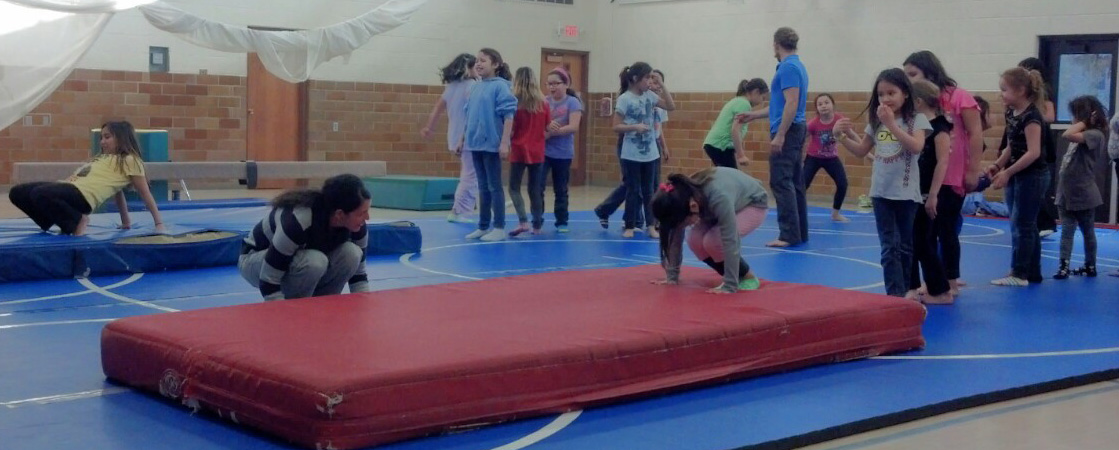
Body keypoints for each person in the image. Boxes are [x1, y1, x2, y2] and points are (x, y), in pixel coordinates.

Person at [834, 68, 930, 298]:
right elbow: (861, 150)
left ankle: (907, 291)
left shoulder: (917, 120)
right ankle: (894, 296)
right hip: (880, 193)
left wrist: (892, 124)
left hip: (906, 194)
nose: (885, 99)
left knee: (905, 247)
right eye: (880, 94)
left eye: (891, 93)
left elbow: (916, 147)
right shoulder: (877, 122)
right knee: (889, 248)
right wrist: (840, 137)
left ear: (905, 93)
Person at [902, 50, 983, 293]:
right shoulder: (916, 100)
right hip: (925, 175)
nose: (909, 79)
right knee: (925, 234)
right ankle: (936, 281)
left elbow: (976, 133)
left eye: (913, 74)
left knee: (946, 229)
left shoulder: (959, 97)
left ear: (929, 71)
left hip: (952, 172)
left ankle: (950, 280)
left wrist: (973, 171)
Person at [9, 120, 165, 236]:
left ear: (122, 138)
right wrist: (126, 223)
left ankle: (78, 220)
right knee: (17, 193)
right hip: (69, 188)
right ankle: (50, 221)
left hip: (83, 196)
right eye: (101, 138)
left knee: (39, 193)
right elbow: (118, 192)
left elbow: (145, 193)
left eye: (107, 137)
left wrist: (158, 223)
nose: (102, 141)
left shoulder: (130, 160)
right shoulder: (100, 158)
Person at [238, 174, 371, 301]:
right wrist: (280, 312)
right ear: (339, 214)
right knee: (314, 261)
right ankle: (298, 307)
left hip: (295, 259)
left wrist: (365, 308)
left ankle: (324, 304)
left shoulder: (357, 226)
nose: (367, 218)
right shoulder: (298, 221)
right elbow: (269, 281)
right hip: (255, 261)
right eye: (361, 213)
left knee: (351, 253)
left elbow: (359, 278)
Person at [651, 167, 769, 294]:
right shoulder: (681, 197)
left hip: (752, 204)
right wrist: (672, 277)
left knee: (714, 241)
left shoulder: (718, 196)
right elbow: (675, 234)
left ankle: (747, 276)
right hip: (714, 206)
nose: (685, 226)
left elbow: (730, 239)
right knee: (693, 240)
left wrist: (730, 285)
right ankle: (734, 275)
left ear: (693, 206)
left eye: (685, 222)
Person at [743, 27, 810, 248]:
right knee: (795, 181)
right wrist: (754, 115)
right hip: (795, 127)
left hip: (789, 130)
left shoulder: (788, 68)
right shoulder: (796, 66)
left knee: (781, 181)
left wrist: (780, 134)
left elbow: (791, 103)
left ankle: (788, 234)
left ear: (776, 44)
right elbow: (779, 105)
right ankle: (799, 232)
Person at [986, 67, 1049, 286]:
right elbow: (1012, 145)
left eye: (1004, 90)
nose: (1000, 94)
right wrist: (997, 165)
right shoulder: (1012, 113)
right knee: (1023, 224)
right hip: (1018, 174)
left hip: (1032, 175)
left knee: (1023, 224)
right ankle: (1031, 272)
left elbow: (1034, 152)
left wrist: (1008, 172)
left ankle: (1020, 274)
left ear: (1021, 90)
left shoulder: (1032, 116)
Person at [613, 62, 675, 239]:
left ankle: (651, 225)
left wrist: (662, 84)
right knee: (633, 190)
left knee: (650, 191)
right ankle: (630, 225)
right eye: (646, 77)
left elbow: (671, 106)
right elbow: (616, 126)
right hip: (631, 152)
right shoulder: (625, 99)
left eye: (651, 77)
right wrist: (634, 127)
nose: (649, 81)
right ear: (635, 79)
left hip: (650, 152)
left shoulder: (650, 96)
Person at [461, 48, 517, 242]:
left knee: (494, 187)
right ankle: (483, 226)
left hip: (492, 144)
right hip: (475, 143)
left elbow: (509, 116)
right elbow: (468, 116)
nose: (478, 64)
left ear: (495, 65)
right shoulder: (475, 87)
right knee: (482, 187)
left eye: (483, 60)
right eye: (477, 60)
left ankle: (499, 227)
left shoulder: (501, 87)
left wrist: (504, 143)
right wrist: (463, 139)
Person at [1053, 96, 1108, 279]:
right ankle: (1063, 265)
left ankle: (1090, 264)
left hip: (1083, 193)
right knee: (1067, 231)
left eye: (1074, 115)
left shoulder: (1095, 135)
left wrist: (1084, 121)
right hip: (1067, 192)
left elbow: (1067, 134)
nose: (1072, 120)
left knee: (1087, 231)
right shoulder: (1085, 135)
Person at [909, 80, 954, 304]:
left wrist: (933, 194)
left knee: (923, 242)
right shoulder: (920, 126)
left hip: (930, 194)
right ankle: (920, 286)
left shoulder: (939, 128)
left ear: (917, 101)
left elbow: (942, 162)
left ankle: (941, 291)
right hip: (917, 192)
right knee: (916, 241)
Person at [422, 53, 479, 224]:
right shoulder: (472, 86)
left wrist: (429, 127)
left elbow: (437, 109)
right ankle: (459, 210)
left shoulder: (452, 87)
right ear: (468, 69)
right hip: (467, 136)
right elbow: (472, 112)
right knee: (470, 175)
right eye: (476, 66)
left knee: (469, 173)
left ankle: (460, 209)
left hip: (454, 136)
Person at [1017, 57, 1059, 239]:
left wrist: (1031, 113)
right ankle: (1037, 222)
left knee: (1037, 186)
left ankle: (1047, 222)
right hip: (1027, 136)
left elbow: (1050, 116)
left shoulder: (1044, 91)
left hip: (1040, 137)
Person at [508, 66, 550, 236]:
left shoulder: (514, 102)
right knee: (534, 189)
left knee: (514, 187)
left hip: (519, 149)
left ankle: (523, 220)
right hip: (537, 150)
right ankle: (537, 225)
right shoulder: (543, 103)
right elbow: (547, 127)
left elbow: (511, 128)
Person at [542, 67, 583, 233]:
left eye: (556, 84)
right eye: (549, 84)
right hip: (544, 151)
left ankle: (561, 221)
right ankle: (537, 219)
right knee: (538, 187)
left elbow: (573, 127)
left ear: (565, 84)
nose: (552, 87)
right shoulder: (544, 101)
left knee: (560, 189)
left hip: (562, 153)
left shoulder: (572, 102)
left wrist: (551, 132)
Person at [803, 93, 850, 222]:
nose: (823, 106)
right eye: (820, 104)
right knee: (802, 185)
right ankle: (798, 212)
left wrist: (866, 152)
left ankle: (835, 214)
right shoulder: (813, 124)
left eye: (826, 102)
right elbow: (801, 139)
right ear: (817, 108)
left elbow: (851, 135)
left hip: (831, 158)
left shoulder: (839, 120)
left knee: (842, 184)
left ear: (833, 105)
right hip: (813, 157)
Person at [704, 78, 768, 169]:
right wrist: (741, 155)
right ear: (756, 92)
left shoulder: (737, 101)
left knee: (728, 176)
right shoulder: (744, 104)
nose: (762, 102)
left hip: (716, 145)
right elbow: (735, 129)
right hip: (721, 146)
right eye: (763, 98)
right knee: (732, 178)